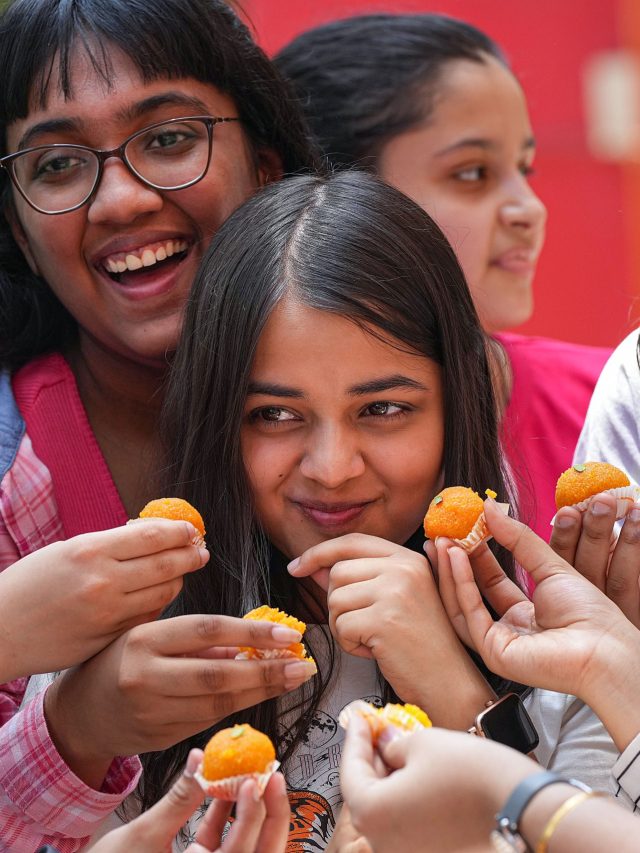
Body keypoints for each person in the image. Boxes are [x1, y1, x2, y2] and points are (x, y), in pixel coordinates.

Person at [93, 171, 617, 852]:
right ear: (215, 419)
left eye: (383, 408)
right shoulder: (127, 658)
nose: (332, 467)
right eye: (274, 414)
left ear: (457, 404)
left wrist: (453, 690)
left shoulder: (570, 658)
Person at [0, 0, 316, 848]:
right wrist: (74, 726)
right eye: (57, 164)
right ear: (20, 232)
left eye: (170, 138)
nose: (121, 200)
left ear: (265, 165)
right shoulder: (11, 483)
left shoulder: (407, 419)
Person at [274, 13, 611, 540]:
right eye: (472, 173)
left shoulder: (614, 399)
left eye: (524, 169)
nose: (530, 209)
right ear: (334, 195)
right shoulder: (234, 443)